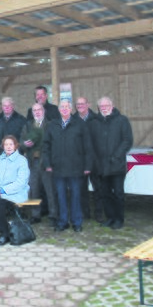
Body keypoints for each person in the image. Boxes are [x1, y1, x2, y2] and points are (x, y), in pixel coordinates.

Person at [42, 100, 94, 233]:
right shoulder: (52, 125)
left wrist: (88, 165)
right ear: (59, 109)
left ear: (71, 109)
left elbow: (88, 147)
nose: (64, 109)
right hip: (57, 168)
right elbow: (46, 146)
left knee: (76, 196)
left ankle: (77, 222)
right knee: (61, 196)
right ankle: (63, 221)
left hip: (76, 168)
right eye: (62, 107)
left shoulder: (80, 124)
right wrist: (47, 164)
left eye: (67, 107)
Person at [90, 96, 133, 230]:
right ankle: (110, 218)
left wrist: (116, 156)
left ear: (112, 106)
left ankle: (119, 219)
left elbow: (127, 140)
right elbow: (91, 143)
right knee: (105, 194)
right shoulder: (94, 122)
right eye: (101, 106)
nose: (104, 108)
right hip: (101, 166)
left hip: (116, 165)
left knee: (118, 193)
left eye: (106, 106)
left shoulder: (122, 120)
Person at [0, 135, 30, 246]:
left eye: (11, 144)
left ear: (15, 146)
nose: (8, 147)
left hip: (16, 193)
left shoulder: (21, 161)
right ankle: (5, 229)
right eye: (6, 144)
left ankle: (4, 234)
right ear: (3, 146)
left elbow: (21, 182)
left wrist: (3, 190)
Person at [21, 103, 56, 225]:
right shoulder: (28, 125)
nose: (37, 112)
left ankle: (53, 215)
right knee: (34, 189)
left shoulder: (51, 124)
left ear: (44, 111)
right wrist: (25, 144)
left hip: (46, 162)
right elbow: (21, 142)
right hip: (33, 162)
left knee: (50, 190)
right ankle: (36, 215)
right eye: (34, 110)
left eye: (39, 110)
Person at [73, 97, 102, 221]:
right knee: (81, 189)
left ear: (88, 104)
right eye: (78, 104)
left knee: (98, 188)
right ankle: (85, 213)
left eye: (82, 104)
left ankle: (99, 214)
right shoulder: (72, 120)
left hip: (95, 160)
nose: (80, 106)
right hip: (79, 161)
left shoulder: (97, 119)